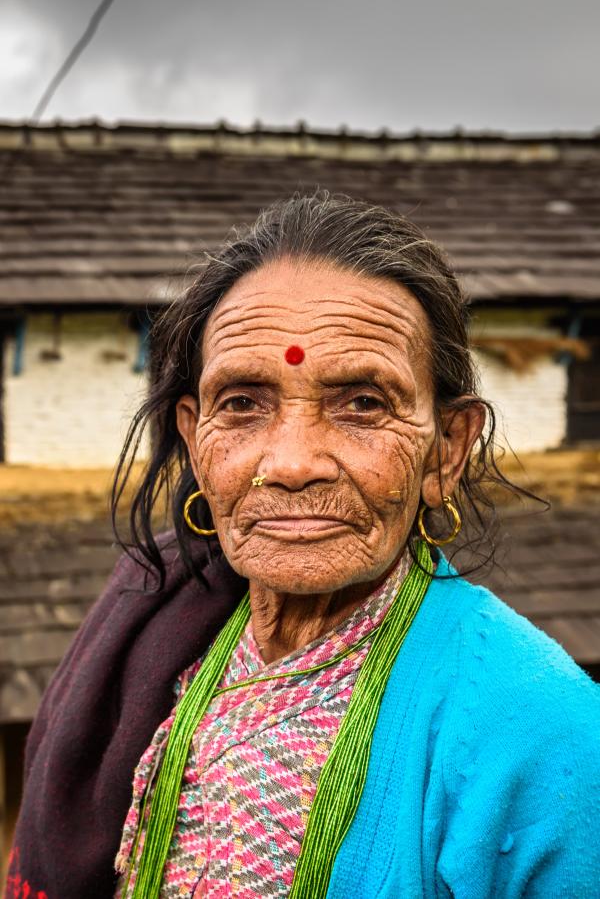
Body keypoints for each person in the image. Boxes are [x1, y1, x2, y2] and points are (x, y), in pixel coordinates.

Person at [7, 194, 600, 899]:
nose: (292, 464)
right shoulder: (158, 641)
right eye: (242, 403)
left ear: (446, 450)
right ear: (194, 440)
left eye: (363, 404)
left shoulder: (542, 728)